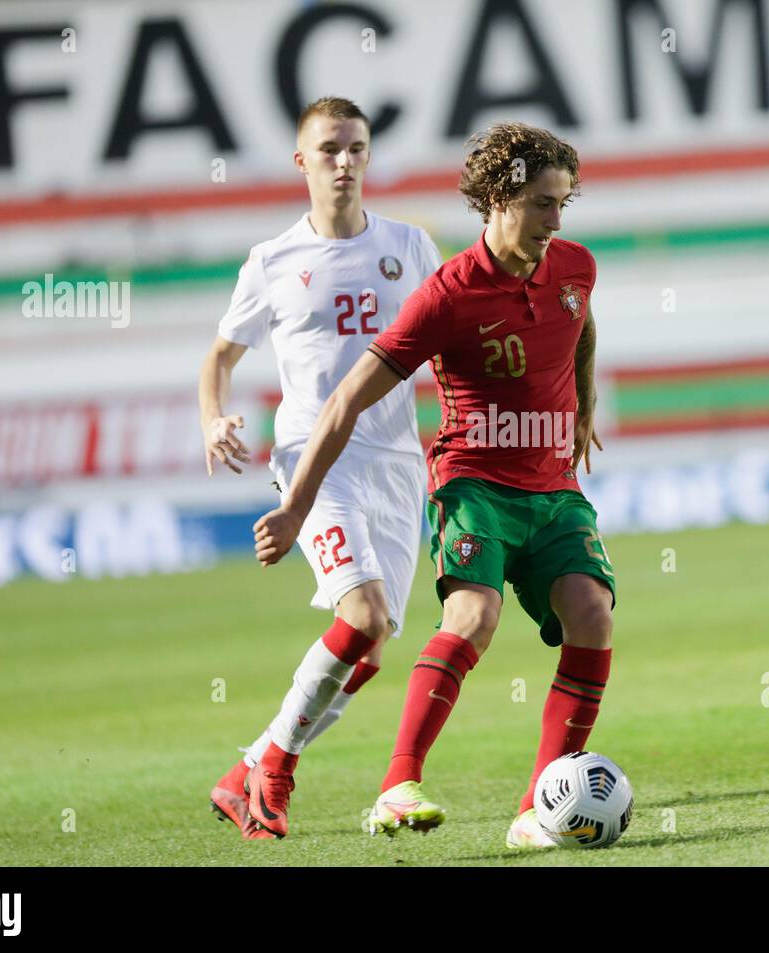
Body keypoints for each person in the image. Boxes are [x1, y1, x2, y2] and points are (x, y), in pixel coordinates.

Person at [252, 122, 614, 849]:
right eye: (544, 204)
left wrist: (583, 407)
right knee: (474, 616)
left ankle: (539, 807)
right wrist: (295, 505)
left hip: (553, 487)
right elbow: (347, 398)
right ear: (500, 200)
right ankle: (397, 784)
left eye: (564, 205)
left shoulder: (574, 266)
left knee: (593, 615)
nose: (556, 221)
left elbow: (582, 328)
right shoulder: (447, 296)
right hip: (475, 484)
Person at [198, 96, 441, 839]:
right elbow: (221, 354)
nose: (344, 161)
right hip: (314, 457)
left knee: (372, 637)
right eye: (330, 149)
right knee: (361, 615)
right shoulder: (272, 262)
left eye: (356, 148)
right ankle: (278, 770)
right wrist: (214, 416)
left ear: (369, 157)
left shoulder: (411, 244)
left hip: (398, 463)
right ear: (301, 161)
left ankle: (250, 767)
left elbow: (448, 344)